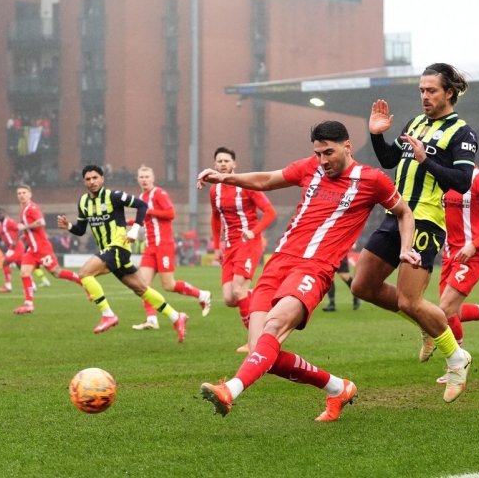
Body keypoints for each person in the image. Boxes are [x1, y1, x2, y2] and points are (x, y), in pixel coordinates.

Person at [197, 121, 419, 420]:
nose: (323, 160)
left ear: (347, 146)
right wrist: (224, 178)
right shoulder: (309, 168)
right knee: (261, 354)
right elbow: (266, 179)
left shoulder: (372, 180)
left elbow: (404, 213)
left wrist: (406, 249)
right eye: (318, 153)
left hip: (315, 268)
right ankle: (338, 387)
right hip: (278, 262)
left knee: (274, 327)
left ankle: (230, 390)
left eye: (329, 152)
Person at [351, 62, 478, 403]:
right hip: (397, 214)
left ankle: (456, 358)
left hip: (426, 221)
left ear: (449, 92)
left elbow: (463, 181)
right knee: (362, 285)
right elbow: (390, 160)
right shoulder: (415, 123)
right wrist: (377, 134)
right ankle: (427, 322)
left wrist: (428, 162)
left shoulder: (462, 132)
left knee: (410, 300)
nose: (424, 96)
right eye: (421, 90)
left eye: (431, 90)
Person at [56, 165, 189, 340]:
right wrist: (69, 226)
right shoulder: (83, 202)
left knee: (84, 273)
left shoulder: (114, 196)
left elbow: (142, 205)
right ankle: (176, 316)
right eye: (88, 179)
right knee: (141, 288)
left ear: (102, 179)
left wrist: (134, 230)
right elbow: (81, 229)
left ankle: (108, 314)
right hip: (108, 250)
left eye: (95, 178)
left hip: (118, 247)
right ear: (84, 182)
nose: (92, 182)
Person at [418, 167, 479, 381]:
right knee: (452, 312)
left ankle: (457, 363)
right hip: (449, 253)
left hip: (472, 254)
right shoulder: (441, 176)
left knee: (443, 310)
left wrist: (475, 245)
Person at [209, 147, 277, 352]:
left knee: (238, 291)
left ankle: (254, 342)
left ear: (234, 164)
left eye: (226, 161)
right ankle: (264, 298)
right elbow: (215, 217)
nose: (222, 164)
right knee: (230, 299)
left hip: (248, 244)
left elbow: (270, 213)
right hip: (229, 247)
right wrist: (216, 246)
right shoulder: (215, 190)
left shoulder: (246, 186)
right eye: (219, 161)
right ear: (215, 165)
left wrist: (254, 231)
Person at [130, 165, 211, 330]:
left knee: (169, 285)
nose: (144, 179)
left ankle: (202, 294)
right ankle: (151, 319)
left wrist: (150, 211)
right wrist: (129, 223)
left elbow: (170, 213)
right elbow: (146, 219)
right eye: (141, 177)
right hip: (149, 246)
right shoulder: (141, 196)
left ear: (153, 179)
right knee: (142, 285)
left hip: (164, 245)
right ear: (137, 179)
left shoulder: (159, 193)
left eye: (147, 176)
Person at [11, 186, 82, 315]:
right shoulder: (23, 209)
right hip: (32, 249)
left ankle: (82, 280)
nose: (21, 195)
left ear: (30, 194)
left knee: (57, 273)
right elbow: (33, 228)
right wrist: (25, 234)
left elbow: (41, 222)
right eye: (19, 193)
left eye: (24, 193)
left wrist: (25, 226)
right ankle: (28, 304)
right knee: (24, 272)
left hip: (42, 248)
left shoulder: (32, 208)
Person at [0, 207, 50, 293]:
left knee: (5, 262)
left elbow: (20, 229)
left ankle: (8, 286)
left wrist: (15, 241)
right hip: (12, 247)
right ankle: (32, 286)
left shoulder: (10, 222)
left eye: (0, 214)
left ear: (5, 214)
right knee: (22, 268)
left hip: (17, 247)